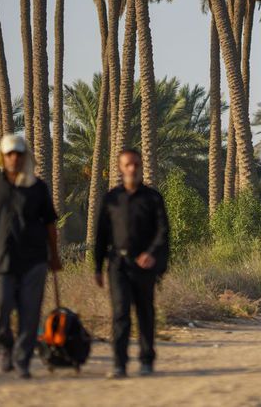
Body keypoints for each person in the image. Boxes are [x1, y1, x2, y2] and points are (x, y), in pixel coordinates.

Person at [0, 134, 62, 379]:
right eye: (10, 154)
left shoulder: (37, 187)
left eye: (19, 154)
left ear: (24, 156)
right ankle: (5, 348)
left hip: (34, 261)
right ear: (2, 156)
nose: (14, 158)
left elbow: (50, 223)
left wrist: (54, 255)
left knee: (30, 314)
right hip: (0, 260)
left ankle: (22, 361)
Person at [95, 149, 170, 378]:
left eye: (136, 164)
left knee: (145, 312)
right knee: (120, 313)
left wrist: (152, 254)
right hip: (118, 264)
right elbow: (101, 235)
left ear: (141, 166)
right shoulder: (111, 199)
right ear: (120, 167)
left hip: (144, 265)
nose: (132, 168)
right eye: (127, 164)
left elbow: (163, 232)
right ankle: (119, 364)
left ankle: (146, 360)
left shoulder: (153, 198)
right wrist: (97, 267)